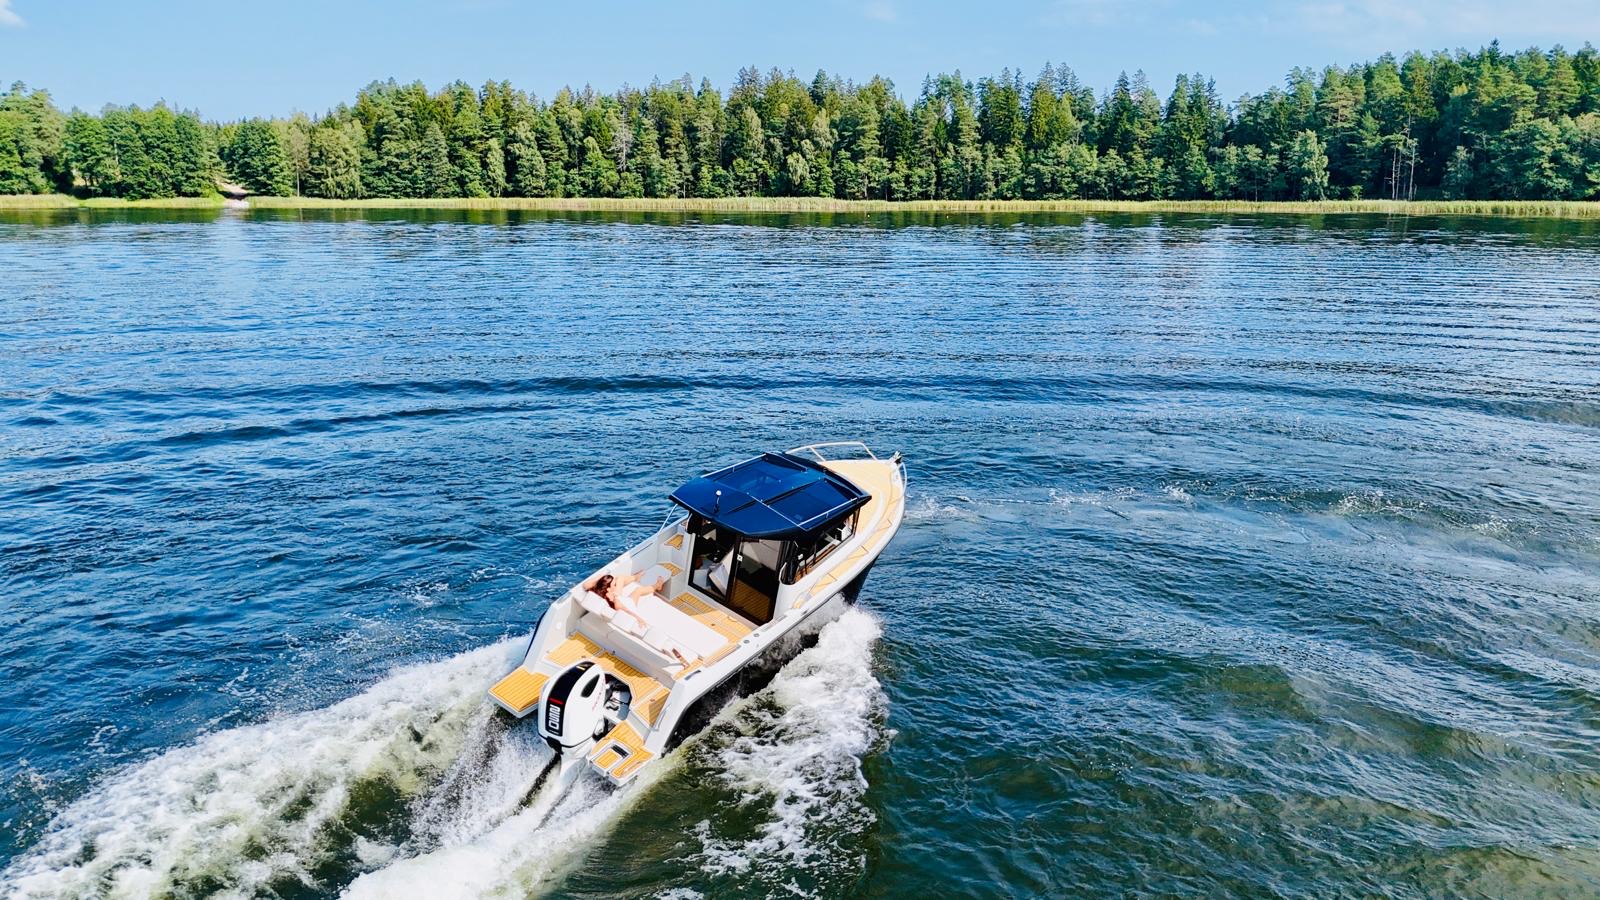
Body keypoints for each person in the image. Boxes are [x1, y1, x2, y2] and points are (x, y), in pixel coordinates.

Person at [588, 573, 691, 666]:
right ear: (608, 589)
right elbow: (626, 610)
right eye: (613, 585)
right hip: (628, 605)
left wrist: (601, 577)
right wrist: (638, 618)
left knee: (628, 584)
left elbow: (585, 585)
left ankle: (639, 578)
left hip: (624, 602)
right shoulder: (616, 602)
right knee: (638, 590)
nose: (615, 586)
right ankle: (651, 583)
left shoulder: (602, 593)